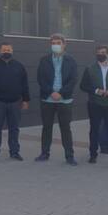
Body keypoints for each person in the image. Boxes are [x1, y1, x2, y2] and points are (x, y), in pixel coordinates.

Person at [0, 42, 30, 161]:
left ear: (12, 51)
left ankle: (14, 151)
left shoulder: (19, 66)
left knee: (14, 128)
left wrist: (25, 100)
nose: (6, 51)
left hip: (15, 102)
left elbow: (25, 84)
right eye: (4, 50)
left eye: (8, 49)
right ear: (0, 51)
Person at [35, 34, 78, 165]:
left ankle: (69, 156)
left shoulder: (71, 60)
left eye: (58, 43)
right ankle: (44, 153)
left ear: (64, 44)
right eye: (53, 43)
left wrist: (61, 93)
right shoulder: (44, 60)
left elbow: (73, 80)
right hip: (48, 99)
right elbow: (40, 78)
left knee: (65, 128)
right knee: (46, 127)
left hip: (64, 100)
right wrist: (51, 92)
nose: (56, 45)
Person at [80, 45, 108, 165]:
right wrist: (96, 91)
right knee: (94, 129)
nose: (101, 54)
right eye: (98, 52)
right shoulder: (90, 68)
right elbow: (83, 85)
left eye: (103, 52)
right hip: (95, 103)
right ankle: (93, 154)